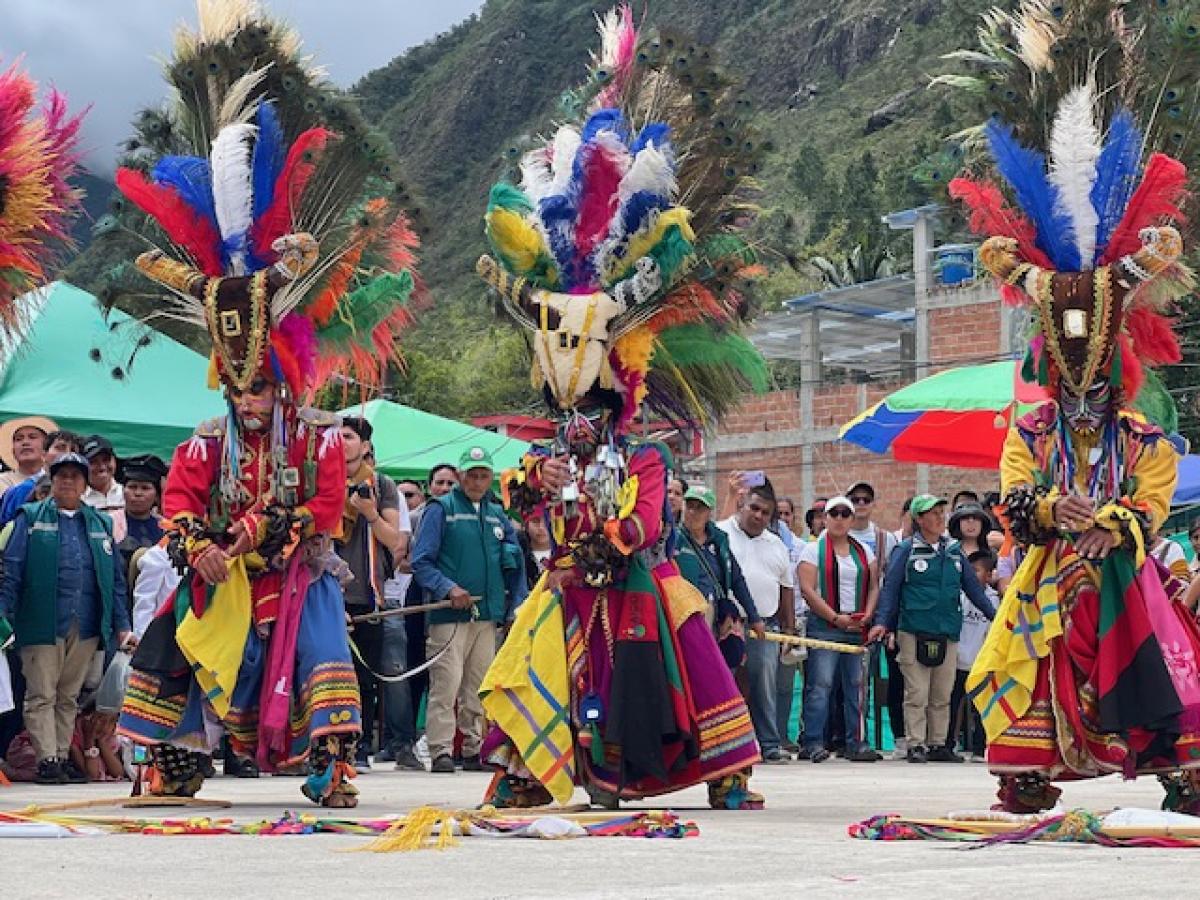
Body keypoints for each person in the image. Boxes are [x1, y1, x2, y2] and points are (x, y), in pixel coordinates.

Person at [474, 10, 766, 813]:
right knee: (527, 658)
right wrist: (533, 489)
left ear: (613, 392)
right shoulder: (555, 449)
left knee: (684, 635)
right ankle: (529, 767)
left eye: (588, 401)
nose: (577, 415)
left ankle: (724, 764)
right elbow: (522, 492)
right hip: (569, 581)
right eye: (567, 402)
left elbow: (643, 518)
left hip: (631, 579)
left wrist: (608, 534)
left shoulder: (641, 453)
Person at [957, 98, 1200, 812]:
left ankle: (1177, 769)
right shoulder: (1030, 432)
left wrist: (1115, 520)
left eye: (1095, 373)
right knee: (1025, 652)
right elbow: (1012, 493)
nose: (1081, 386)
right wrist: (1047, 507)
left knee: (1161, 642)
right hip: (1051, 572)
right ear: (1047, 365)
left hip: (1122, 570)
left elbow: (1153, 503)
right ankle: (1029, 772)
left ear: (1116, 364)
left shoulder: (1144, 439)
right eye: (1068, 374)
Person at [0, 452, 133, 785]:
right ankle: (47, 759)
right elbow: (11, 571)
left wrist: (122, 626)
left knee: (69, 696)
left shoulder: (101, 523)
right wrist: (4, 615)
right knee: (41, 693)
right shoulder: (29, 517)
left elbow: (116, 580)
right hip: (41, 620)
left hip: (87, 623)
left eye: (75, 476)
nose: (68, 481)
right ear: (53, 481)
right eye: (61, 476)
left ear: (85, 484)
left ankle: (60, 757)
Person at [410, 445, 526, 774]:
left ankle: (474, 748)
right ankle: (441, 749)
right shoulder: (441, 508)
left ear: (491, 477)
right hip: (450, 614)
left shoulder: (496, 512)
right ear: (461, 476)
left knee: (478, 686)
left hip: (488, 614)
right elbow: (421, 562)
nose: (477, 481)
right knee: (446, 684)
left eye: (483, 475)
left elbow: (513, 562)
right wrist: (449, 588)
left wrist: (514, 603)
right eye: (471, 475)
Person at [869, 494, 995, 763]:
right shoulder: (906, 549)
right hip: (913, 628)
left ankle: (939, 743)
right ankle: (916, 743)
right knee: (916, 691)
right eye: (932, 513)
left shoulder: (953, 551)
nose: (939, 518)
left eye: (941, 512)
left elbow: (973, 588)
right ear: (919, 519)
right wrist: (882, 622)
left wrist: (994, 616)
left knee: (943, 690)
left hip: (947, 628)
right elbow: (890, 589)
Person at [334, 415, 410, 770]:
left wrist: (368, 513)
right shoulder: (322, 482)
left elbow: (395, 541)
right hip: (326, 594)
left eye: (348, 436)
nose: (341, 442)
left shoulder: (382, 485)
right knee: (328, 673)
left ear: (365, 446)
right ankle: (326, 748)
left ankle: (359, 747)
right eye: (335, 436)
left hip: (368, 593)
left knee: (365, 676)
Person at [798, 496, 880, 763]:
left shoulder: (864, 551)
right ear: (825, 517)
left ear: (852, 519)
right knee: (820, 685)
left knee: (857, 685)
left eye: (846, 514)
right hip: (824, 625)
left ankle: (856, 742)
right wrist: (834, 617)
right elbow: (808, 589)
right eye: (834, 513)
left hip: (856, 626)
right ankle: (812, 742)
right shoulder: (813, 550)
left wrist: (867, 613)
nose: (839, 519)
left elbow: (874, 585)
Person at [719, 482, 796, 762]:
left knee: (765, 684)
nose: (759, 516)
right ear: (741, 505)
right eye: (754, 508)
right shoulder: (721, 534)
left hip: (764, 627)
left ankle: (769, 744)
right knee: (725, 684)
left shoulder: (776, 545)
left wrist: (788, 629)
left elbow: (787, 588)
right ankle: (727, 745)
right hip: (725, 625)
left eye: (766, 512)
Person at [675, 484, 764, 644]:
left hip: (716, 618)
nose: (692, 513)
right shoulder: (673, 541)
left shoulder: (719, 541)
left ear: (709, 513)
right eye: (689, 506)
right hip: (684, 618)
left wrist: (754, 617)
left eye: (700, 508)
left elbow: (737, 580)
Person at [947, 550, 994, 762]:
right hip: (956, 659)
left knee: (981, 707)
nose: (972, 575)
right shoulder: (958, 595)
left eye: (976, 570)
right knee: (952, 705)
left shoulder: (995, 600)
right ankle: (949, 743)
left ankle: (979, 747)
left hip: (980, 662)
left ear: (989, 575)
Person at [0, 428, 81, 527]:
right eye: (60, 448)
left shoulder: (81, 490)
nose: (67, 454)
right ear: (44, 454)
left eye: (73, 450)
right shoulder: (24, 490)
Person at [116, 454, 167, 574]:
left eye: (145, 488)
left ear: (156, 496)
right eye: (132, 487)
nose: (138, 493)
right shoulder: (109, 523)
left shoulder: (166, 528)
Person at [81, 435, 126, 541]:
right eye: (93, 462)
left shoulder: (128, 494)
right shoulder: (78, 500)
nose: (102, 466)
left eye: (106, 460)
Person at [0, 417, 56, 498]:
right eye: (19, 439)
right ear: (13, 451)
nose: (25, 442)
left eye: (32, 437)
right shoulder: (3, 480)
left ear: (46, 446)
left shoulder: (59, 480)